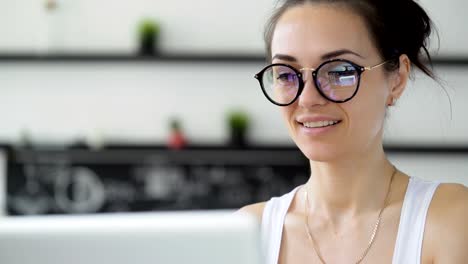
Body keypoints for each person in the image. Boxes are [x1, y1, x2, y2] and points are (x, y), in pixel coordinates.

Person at [239, 0, 468, 263]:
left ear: (397, 79)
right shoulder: (248, 233)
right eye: (285, 75)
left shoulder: (452, 220)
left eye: (339, 71)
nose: (308, 99)